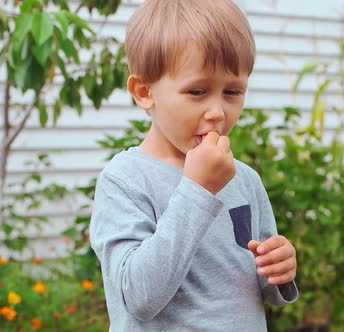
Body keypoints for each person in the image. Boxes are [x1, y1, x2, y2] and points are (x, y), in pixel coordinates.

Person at [89, 0, 299, 330]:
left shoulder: (245, 179)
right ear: (145, 92)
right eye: (197, 91)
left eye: (232, 91)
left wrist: (279, 270)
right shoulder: (125, 180)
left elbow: (261, 287)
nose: (217, 111)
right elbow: (139, 297)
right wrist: (198, 190)